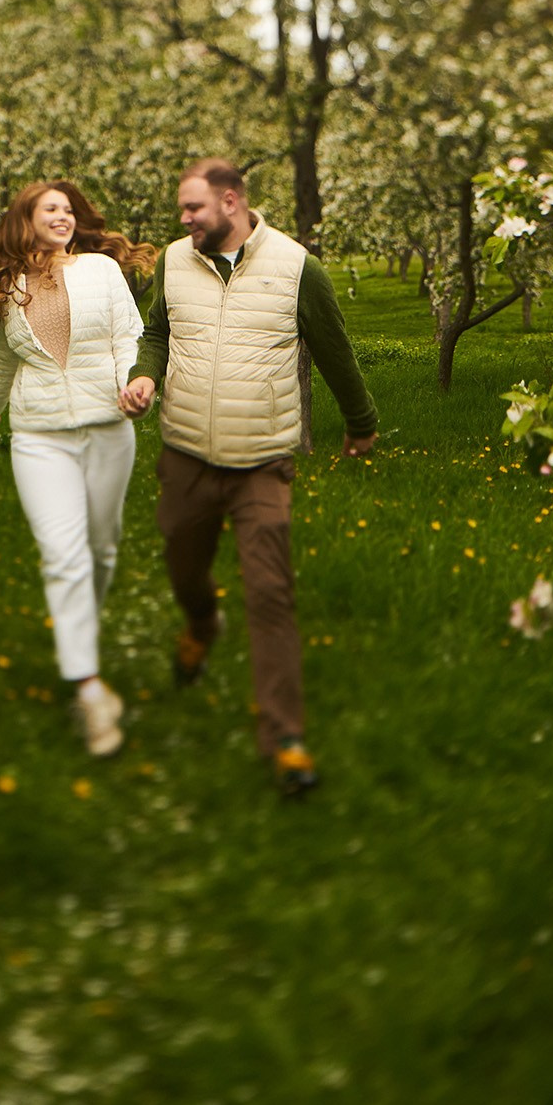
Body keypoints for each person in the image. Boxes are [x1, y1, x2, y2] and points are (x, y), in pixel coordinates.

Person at [119, 159, 378, 797]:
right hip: (185, 453)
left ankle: (286, 739)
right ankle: (203, 625)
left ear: (230, 202)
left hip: (261, 458)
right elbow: (159, 331)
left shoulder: (296, 268)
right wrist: (144, 373)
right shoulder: (177, 263)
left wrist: (360, 421)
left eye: (193, 208)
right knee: (184, 568)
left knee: (270, 594)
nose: (183, 220)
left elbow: (335, 348)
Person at [0, 181, 156, 758]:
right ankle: (89, 686)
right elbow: (3, 356)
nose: (64, 216)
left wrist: (134, 382)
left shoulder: (101, 271)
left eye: (69, 210)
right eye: (50, 208)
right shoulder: (7, 284)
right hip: (39, 436)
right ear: (24, 219)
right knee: (63, 553)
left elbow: (131, 334)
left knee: (101, 548)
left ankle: (82, 634)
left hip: (107, 427)